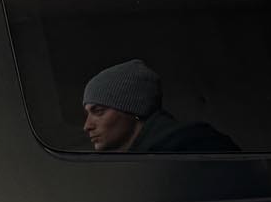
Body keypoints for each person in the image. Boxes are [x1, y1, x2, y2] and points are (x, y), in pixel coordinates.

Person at [82, 60, 239, 154]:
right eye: (88, 113)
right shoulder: (145, 158)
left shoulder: (194, 147)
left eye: (99, 111)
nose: (87, 126)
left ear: (134, 109)